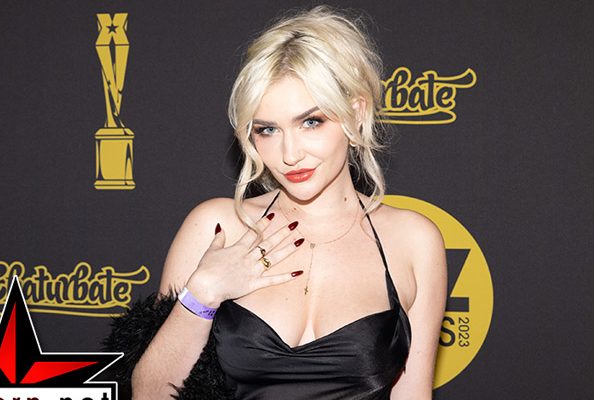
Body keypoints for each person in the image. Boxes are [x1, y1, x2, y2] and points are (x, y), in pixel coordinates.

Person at [108, 6, 447, 400]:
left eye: (311, 122)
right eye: (268, 130)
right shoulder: (217, 227)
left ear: (356, 113)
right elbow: (149, 394)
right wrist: (202, 294)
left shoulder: (412, 241)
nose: (289, 154)